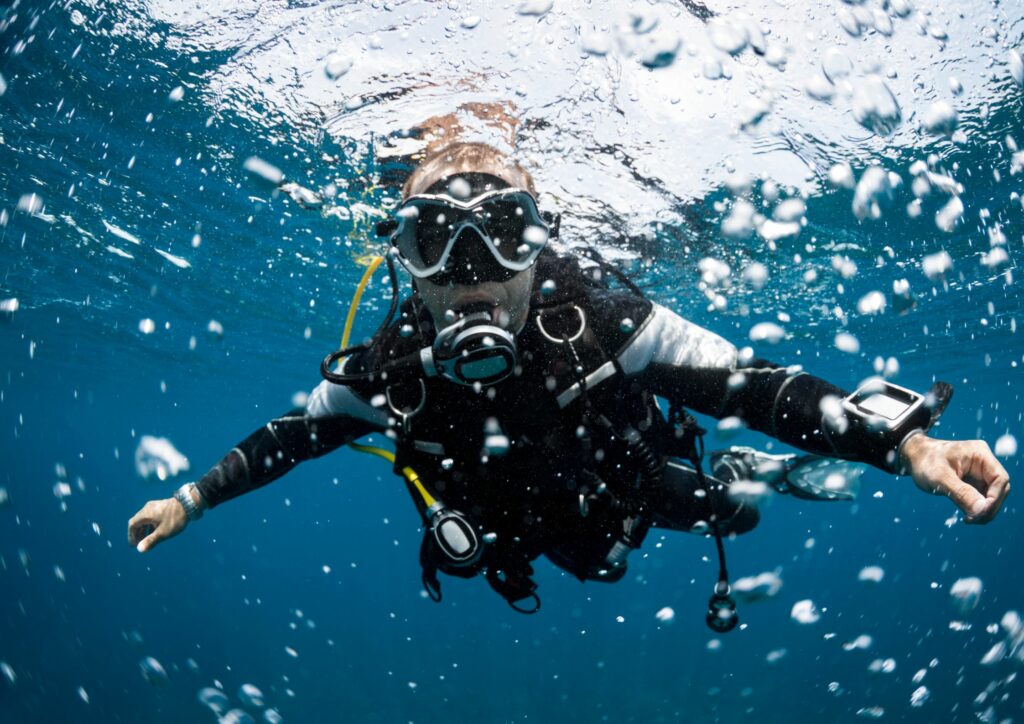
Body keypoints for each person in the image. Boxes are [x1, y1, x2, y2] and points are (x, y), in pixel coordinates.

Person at [128, 142, 1010, 628]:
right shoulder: (389, 369)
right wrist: (193, 498)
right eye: (433, 237)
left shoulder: (608, 324)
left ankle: (752, 477)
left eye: (503, 231)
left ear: (541, 243)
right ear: (401, 256)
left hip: (622, 482)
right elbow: (291, 436)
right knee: (571, 568)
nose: (469, 269)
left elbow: (757, 385)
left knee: (727, 511)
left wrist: (908, 444)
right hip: (508, 531)